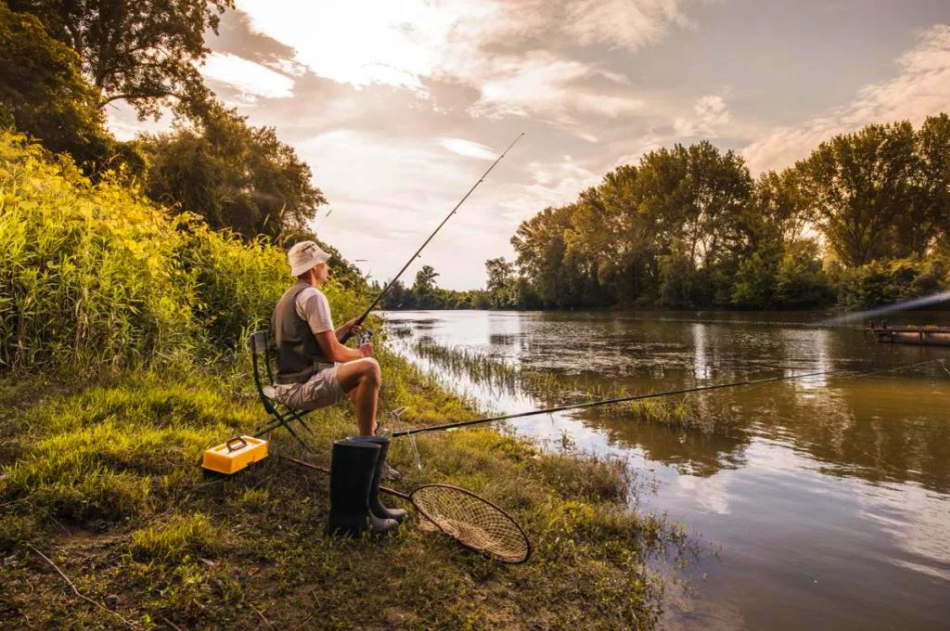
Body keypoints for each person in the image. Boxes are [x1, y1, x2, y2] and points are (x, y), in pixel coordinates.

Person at [271, 240, 385, 440]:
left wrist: (344, 330)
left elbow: (314, 343)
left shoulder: (290, 296)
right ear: (314, 267)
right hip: (300, 388)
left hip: (286, 384)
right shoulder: (313, 296)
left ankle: (372, 430)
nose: (327, 267)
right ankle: (369, 444)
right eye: (324, 263)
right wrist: (361, 354)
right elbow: (334, 352)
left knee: (359, 372)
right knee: (369, 367)